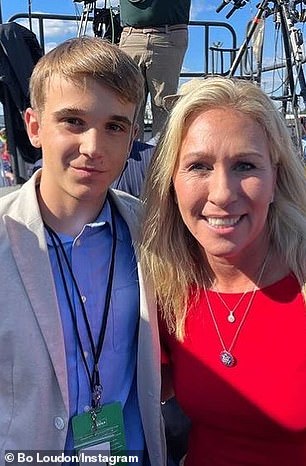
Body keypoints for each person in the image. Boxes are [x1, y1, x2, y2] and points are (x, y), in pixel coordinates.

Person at [0, 36, 166, 465]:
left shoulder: (151, 231)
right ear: (34, 127)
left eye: (114, 126)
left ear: (132, 139)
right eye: (73, 121)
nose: (93, 147)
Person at [139, 76, 306, 466]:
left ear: (275, 176)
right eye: (198, 166)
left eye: (245, 165)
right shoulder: (164, 286)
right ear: (171, 182)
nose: (222, 194)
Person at [119, 0, 191, 140]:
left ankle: (161, 157)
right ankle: (130, 157)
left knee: (164, 104)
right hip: (131, 34)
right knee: (129, 103)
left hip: (168, 34)